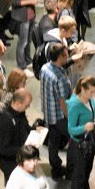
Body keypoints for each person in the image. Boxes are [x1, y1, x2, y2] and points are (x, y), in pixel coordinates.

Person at [66, 76, 95, 189]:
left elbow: (93, 112)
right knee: (79, 173)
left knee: (87, 168)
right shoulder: (74, 105)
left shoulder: (89, 100)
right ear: (83, 90)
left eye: (94, 92)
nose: (93, 95)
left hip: (89, 140)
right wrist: (84, 127)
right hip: (79, 144)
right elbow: (71, 129)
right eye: (91, 92)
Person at [40, 43, 73, 179]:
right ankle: (72, 168)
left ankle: (56, 167)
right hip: (60, 116)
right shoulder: (61, 78)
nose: (68, 56)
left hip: (48, 111)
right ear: (60, 57)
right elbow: (63, 102)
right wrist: (70, 119)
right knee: (74, 139)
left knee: (53, 141)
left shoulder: (45, 67)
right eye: (66, 55)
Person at [0, 87, 35, 185]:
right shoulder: (6, 120)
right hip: (11, 164)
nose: (27, 107)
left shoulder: (21, 113)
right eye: (26, 105)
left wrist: (35, 131)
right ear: (18, 103)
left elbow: (25, 127)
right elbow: (4, 149)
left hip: (21, 158)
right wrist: (23, 149)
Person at [11, 0, 41, 72]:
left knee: (28, 40)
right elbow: (14, 2)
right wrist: (31, 1)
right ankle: (21, 66)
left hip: (31, 16)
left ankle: (28, 61)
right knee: (22, 42)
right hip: (23, 18)